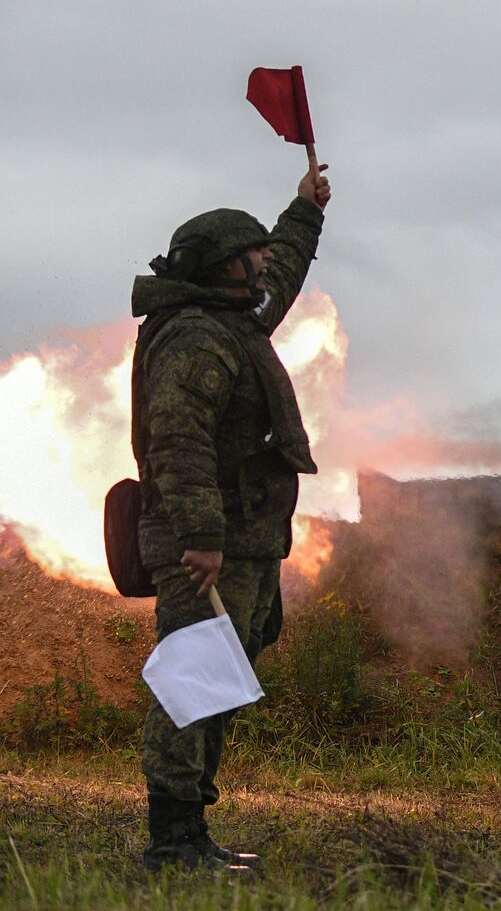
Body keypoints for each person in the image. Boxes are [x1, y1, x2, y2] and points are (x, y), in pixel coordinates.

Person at [131, 166, 330, 871]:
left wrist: (304, 213)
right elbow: (178, 443)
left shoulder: (231, 323)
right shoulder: (195, 341)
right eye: (252, 256)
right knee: (193, 679)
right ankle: (173, 837)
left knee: (219, 675)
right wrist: (202, 539)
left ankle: (193, 831)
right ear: (222, 268)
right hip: (209, 545)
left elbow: (283, 274)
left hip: (245, 541)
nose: (263, 263)